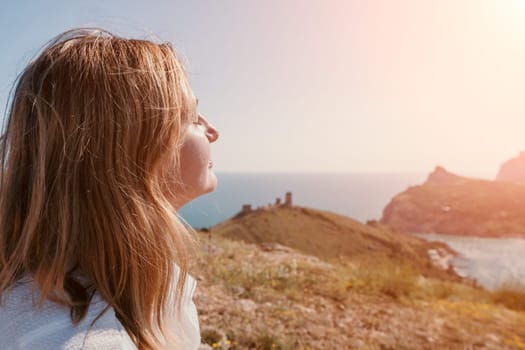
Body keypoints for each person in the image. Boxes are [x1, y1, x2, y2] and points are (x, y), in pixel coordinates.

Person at [0, 28, 219, 350]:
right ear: (128, 149)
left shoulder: (134, 288)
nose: (212, 131)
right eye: (190, 117)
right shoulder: (79, 340)